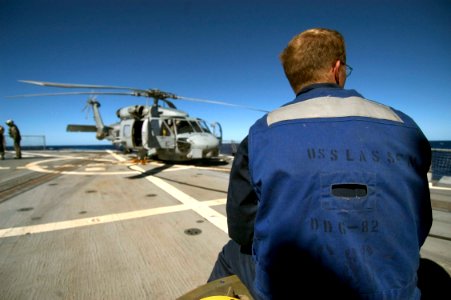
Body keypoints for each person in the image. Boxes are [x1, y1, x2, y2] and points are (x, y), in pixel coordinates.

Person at [208, 28, 435, 299]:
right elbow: (419, 221)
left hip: (289, 291)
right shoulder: (405, 126)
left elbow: (243, 228)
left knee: (230, 253)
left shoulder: (261, 133)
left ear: (294, 79)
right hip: (394, 292)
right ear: (337, 68)